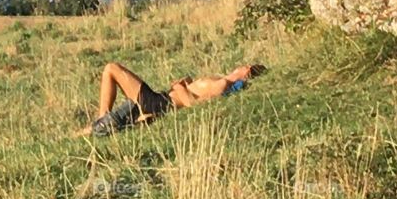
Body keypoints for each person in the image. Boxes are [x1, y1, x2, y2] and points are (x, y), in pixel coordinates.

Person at [84, 60, 264, 136]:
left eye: (245, 66)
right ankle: (100, 124)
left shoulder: (222, 84)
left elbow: (193, 104)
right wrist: (187, 83)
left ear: (246, 72)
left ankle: (102, 120)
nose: (240, 66)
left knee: (111, 68)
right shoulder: (221, 81)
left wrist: (179, 86)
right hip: (160, 100)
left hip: (160, 103)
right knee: (100, 126)